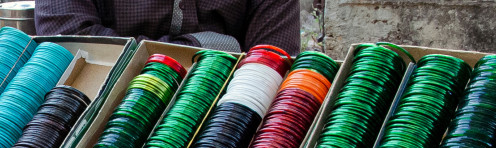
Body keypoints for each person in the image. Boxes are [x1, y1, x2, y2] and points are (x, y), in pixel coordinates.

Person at [34, 0, 300, 55]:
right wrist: (204, 46)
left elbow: (272, 62)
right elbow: (70, 44)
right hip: (100, 121)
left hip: (229, 128)